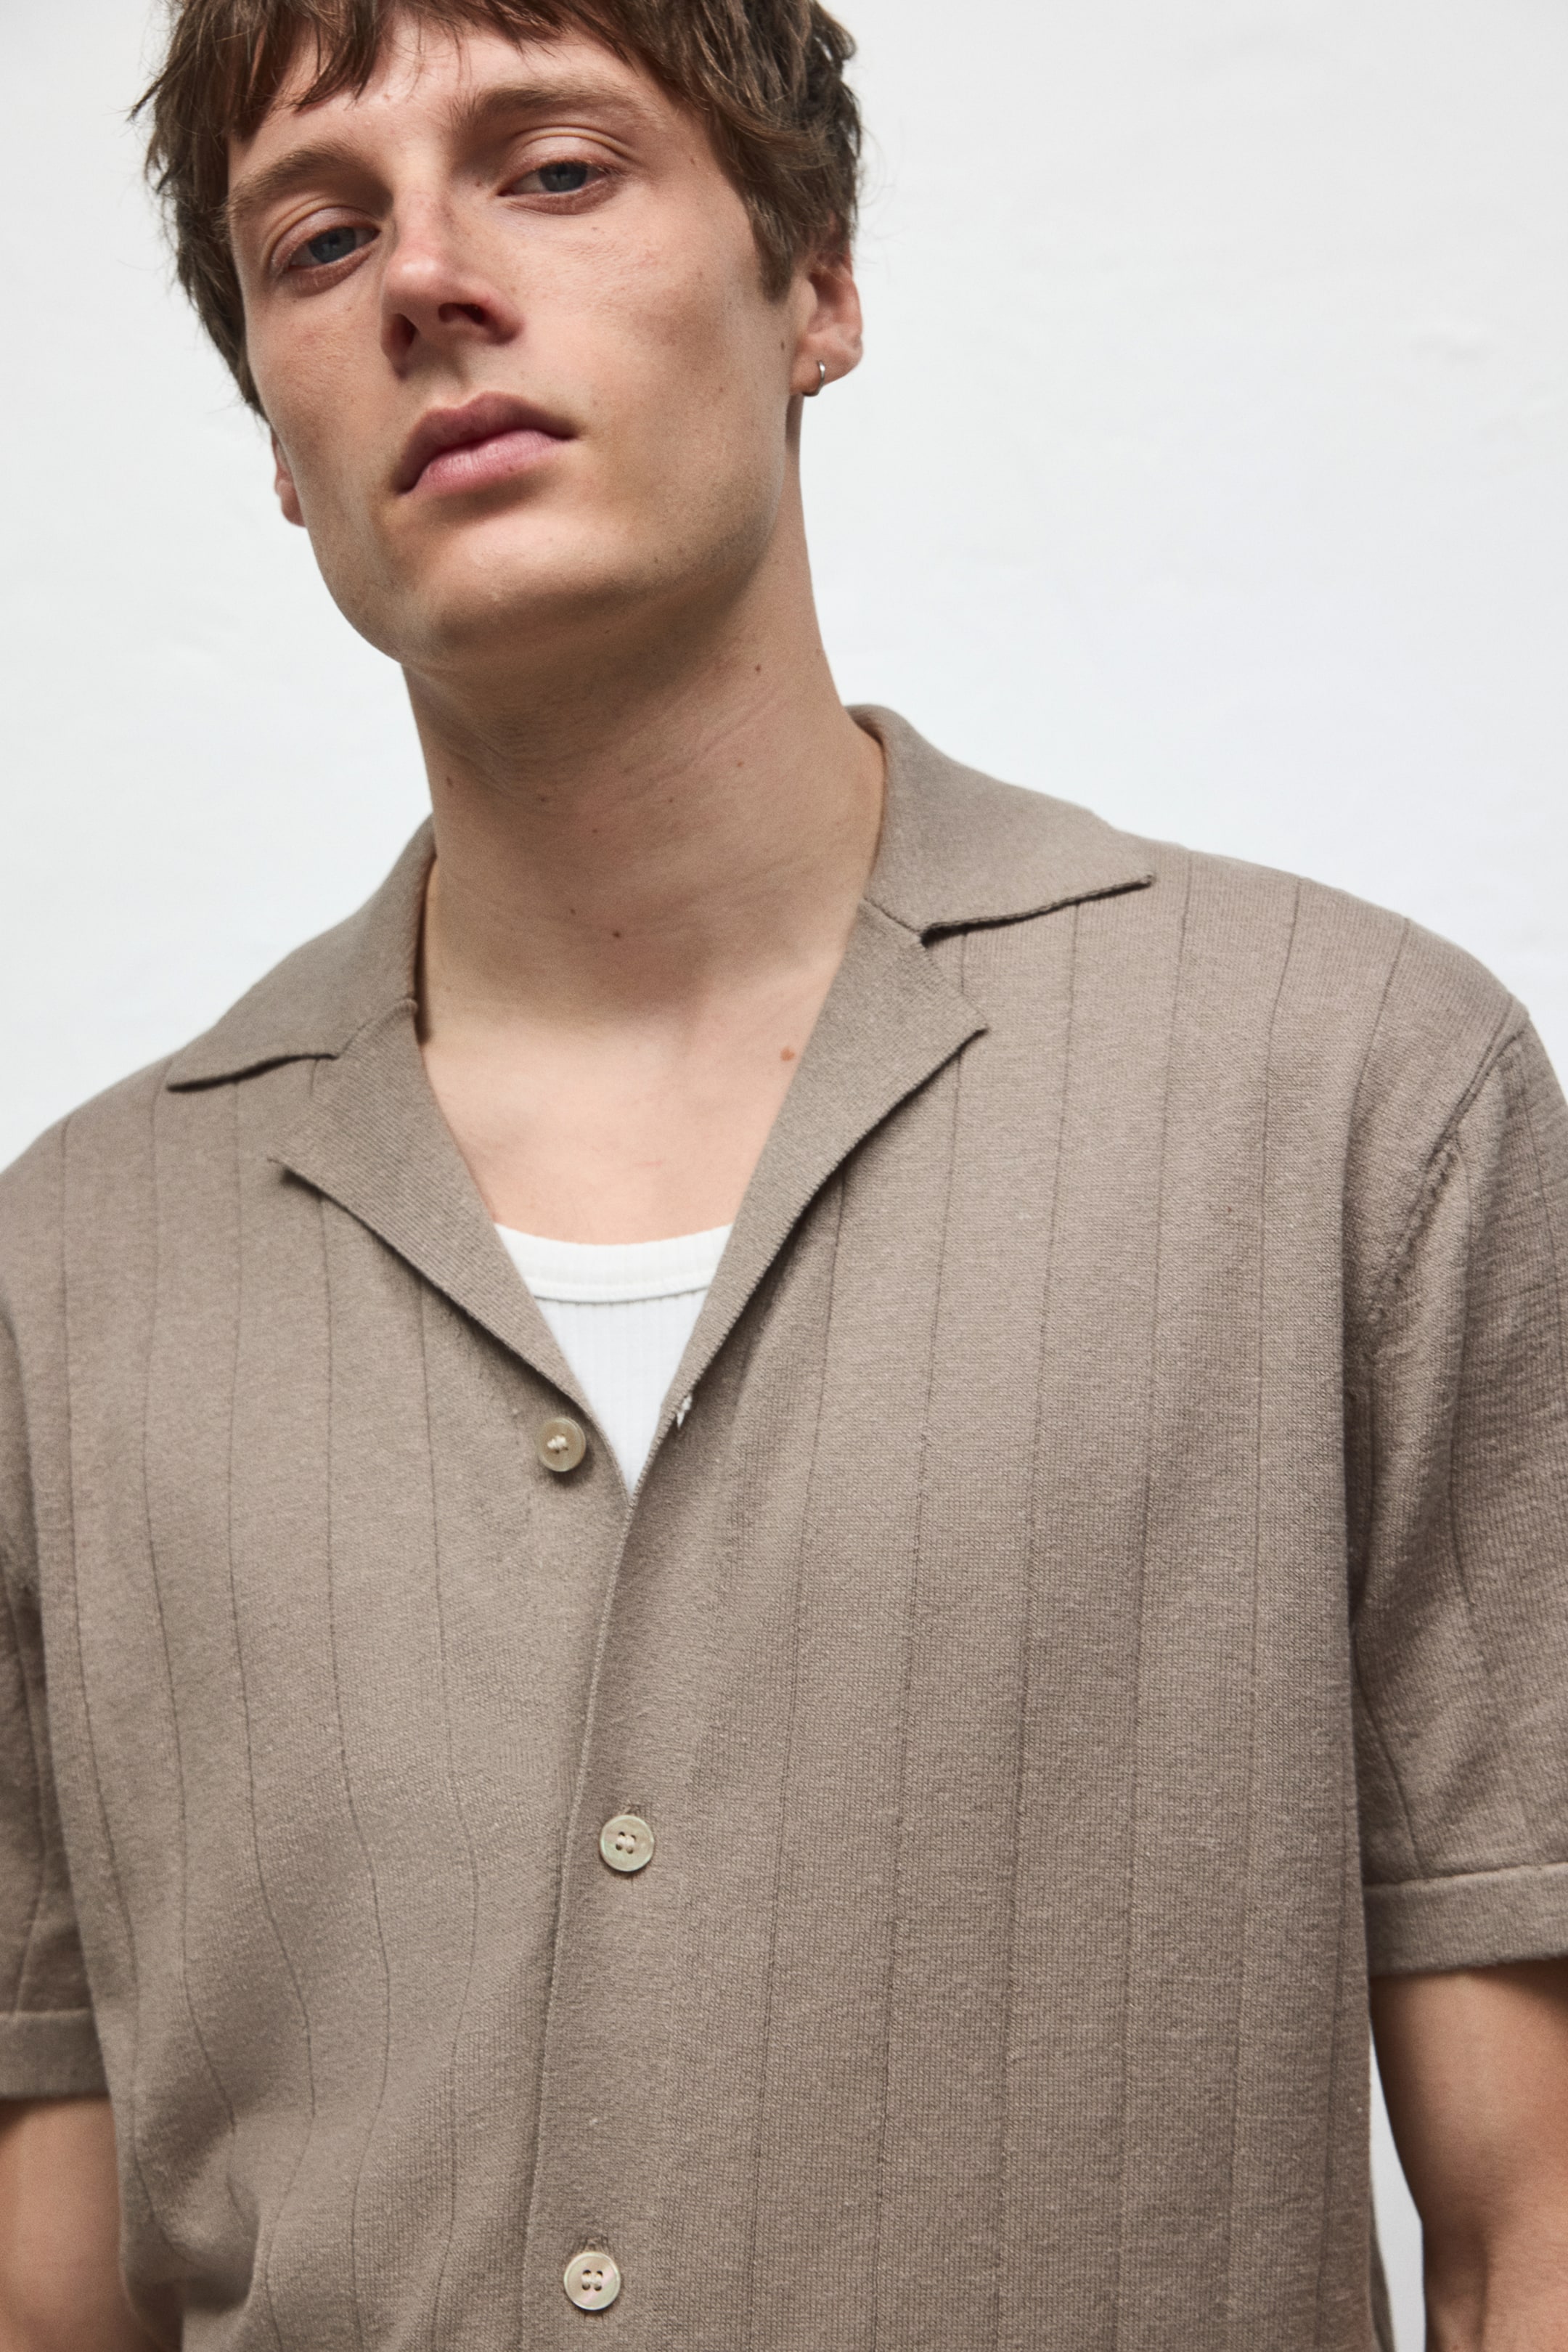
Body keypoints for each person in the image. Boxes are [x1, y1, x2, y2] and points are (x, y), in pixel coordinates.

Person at [2, 0, 1567, 2343]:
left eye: (555, 170)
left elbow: (1538, 2218)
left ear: (814, 281)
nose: (426, 279)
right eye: (316, 240)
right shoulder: (64, 1280)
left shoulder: (1348, 1093)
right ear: (282, 452)